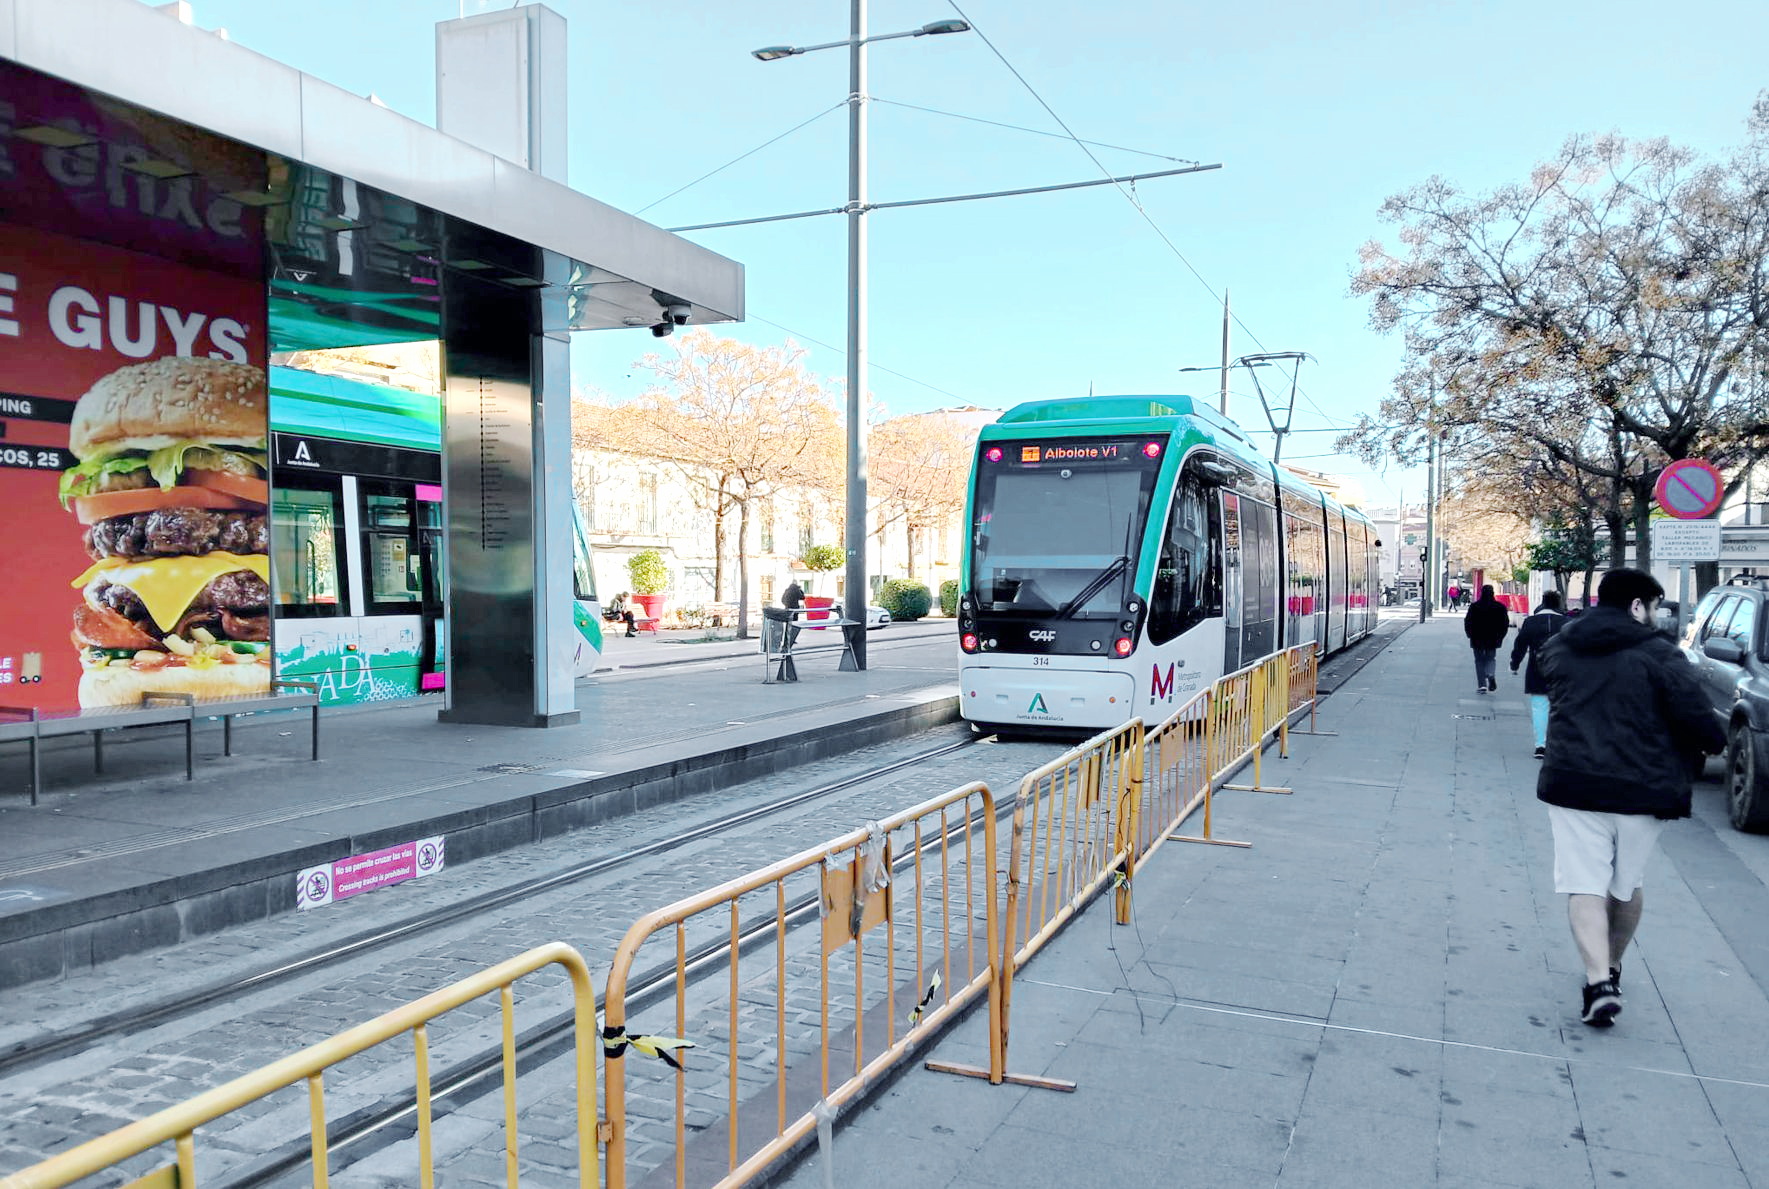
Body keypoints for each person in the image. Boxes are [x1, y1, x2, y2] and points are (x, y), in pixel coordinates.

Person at [1536, 568, 1725, 1028]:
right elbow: (1698, 719)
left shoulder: (1561, 644)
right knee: (1626, 884)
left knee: (1583, 883)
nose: (1657, 616)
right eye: (1655, 606)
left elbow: (1557, 690)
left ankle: (1597, 980)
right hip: (1643, 789)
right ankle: (1612, 968)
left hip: (1574, 782)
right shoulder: (1660, 655)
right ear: (1638, 606)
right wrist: (1710, 743)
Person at [1509, 590, 1567, 758]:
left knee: (1539, 707)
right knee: (1560, 707)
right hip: (1562, 671)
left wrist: (1514, 665)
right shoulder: (1567, 622)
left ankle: (1540, 745)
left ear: (1543, 602)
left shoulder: (1531, 622)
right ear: (1558, 603)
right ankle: (1556, 744)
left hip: (1537, 668)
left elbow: (1520, 645)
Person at [1463, 584, 1511, 694]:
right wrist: (1501, 636)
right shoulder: (1500, 607)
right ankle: (1490, 674)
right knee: (1491, 658)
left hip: (1477, 638)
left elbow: (1468, 621)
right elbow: (1505, 623)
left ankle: (1482, 685)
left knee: (1479, 660)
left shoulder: (1475, 606)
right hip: (1493, 638)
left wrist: (1469, 634)